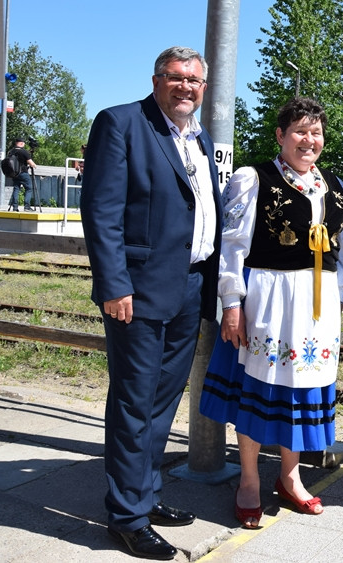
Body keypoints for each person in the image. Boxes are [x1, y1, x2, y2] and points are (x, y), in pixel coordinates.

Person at [81, 46, 222, 560]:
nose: (187, 87)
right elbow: (100, 210)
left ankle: (146, 495)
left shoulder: (197, 137)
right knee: (133, 403)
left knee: (162, 402)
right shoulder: (121, 123)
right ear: (157, 79)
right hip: (138, 292)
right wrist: (115, 285)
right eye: (177, 78)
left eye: (195, 81)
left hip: (189, 288)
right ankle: (126, 517)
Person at [199, 98, 343, 528]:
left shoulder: (333, 185)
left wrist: (338, 293)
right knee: (259, 390)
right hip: (268, 298)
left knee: (301, 392)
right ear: (280, 136)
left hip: (316, 307)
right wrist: (232, 303)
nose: (309, 140)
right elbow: (232, 246)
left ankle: (290, 476)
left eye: (316, 131)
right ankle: (249, 480)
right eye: (300, 131)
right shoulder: (254, 178)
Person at [7, 138, 37, 211]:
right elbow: (31, 163)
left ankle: (15, 207)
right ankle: (27, 206)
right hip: (23, 173)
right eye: (23, 143)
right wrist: (34, 165)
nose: (24, 144)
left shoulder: (11, 152)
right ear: (21, 143)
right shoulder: (23, 152)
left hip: (14, 173)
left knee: (16, 189)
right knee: (28, 188)